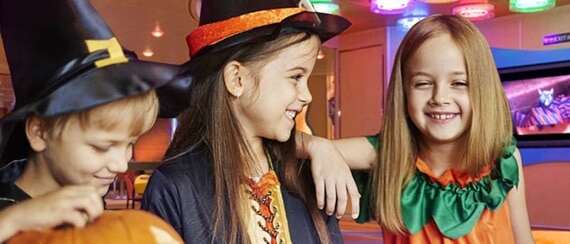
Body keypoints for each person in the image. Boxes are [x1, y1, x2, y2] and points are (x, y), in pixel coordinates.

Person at [306, 14, 535, 243]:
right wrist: (318, 145)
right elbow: (285, 146)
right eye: (423, 83)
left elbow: (523, 240)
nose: (440, 98)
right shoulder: (385, 155)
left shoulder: (502, 159)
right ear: (404, 92)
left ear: (482, 89)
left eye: (459, 83)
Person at [141, 0, 354, 243]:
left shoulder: (311, 178)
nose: (307, 96)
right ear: (237, 79)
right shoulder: (175, 187)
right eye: (295, 77)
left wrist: (320, 146)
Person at [0, 0, 191, 242]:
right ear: (39, 131)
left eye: (129, 144)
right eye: (102, 147)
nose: (121, 165)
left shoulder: (89, 200)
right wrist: (12, 221)